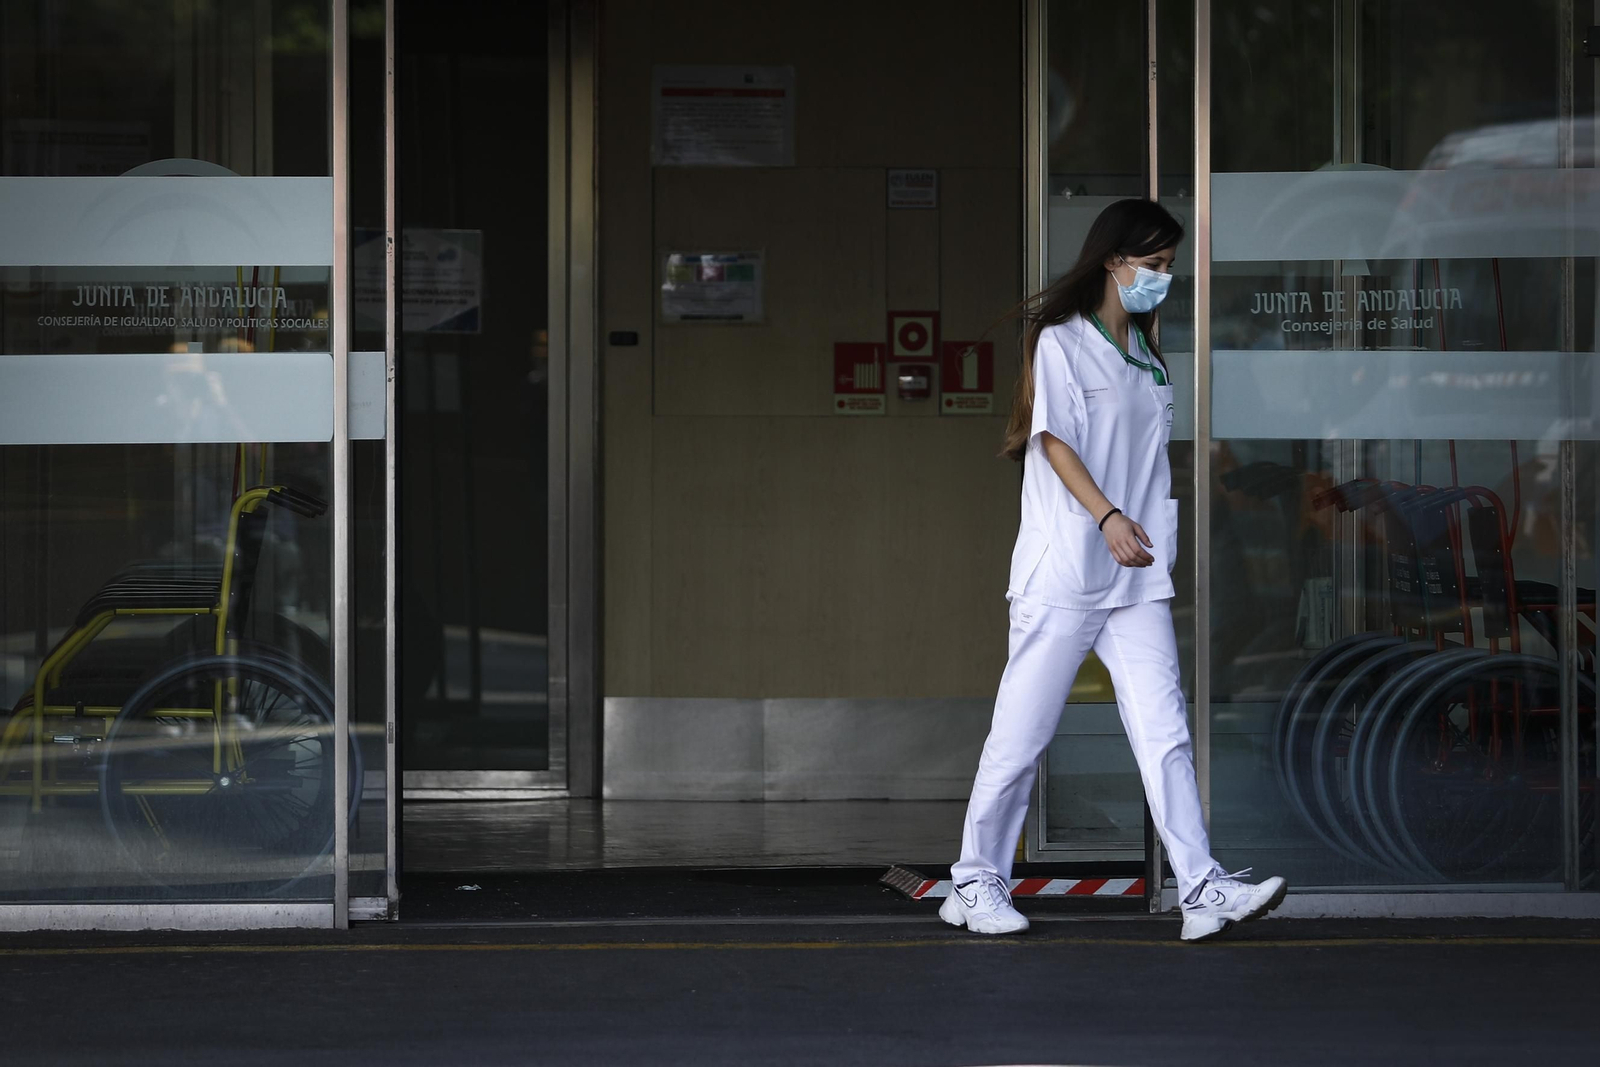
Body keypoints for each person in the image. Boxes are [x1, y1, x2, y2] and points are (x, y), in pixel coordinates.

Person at [940, 198, 1286, 943]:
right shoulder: (1061, 342)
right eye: (1153, 265)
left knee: (1165, 734)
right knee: (1022, 735)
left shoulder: (1147, 353)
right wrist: (1107, 516)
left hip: (1135, 579)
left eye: (1169, 267)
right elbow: (1055, 441)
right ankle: (973, 880)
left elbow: (1145, 456)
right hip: (1065, 570)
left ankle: (1201, 888)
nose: (1163, 278)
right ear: (1112, 260)